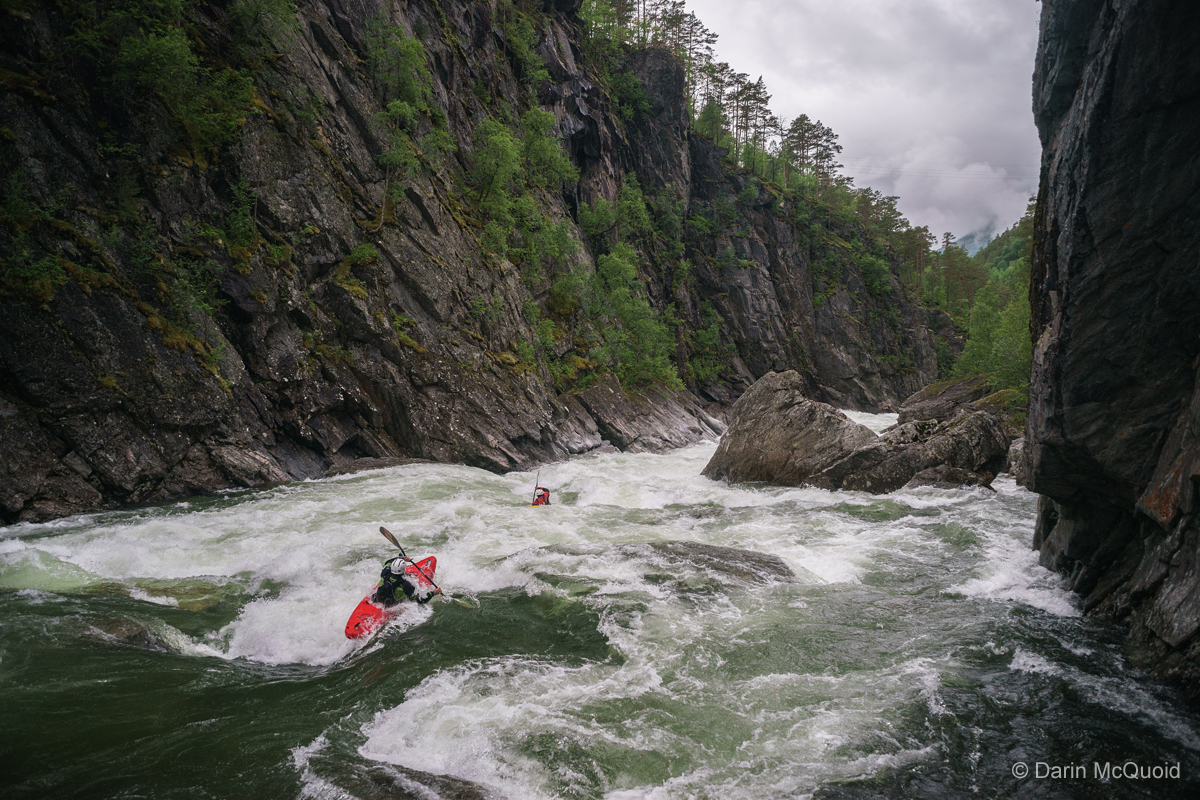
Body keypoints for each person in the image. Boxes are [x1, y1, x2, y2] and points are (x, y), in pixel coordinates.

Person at [372, 555, 442, 607]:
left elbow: (388, 562)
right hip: (392, 605)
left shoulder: (385, 572)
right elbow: (420, 600)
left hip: (377, 598)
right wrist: (433, 593)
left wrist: (401, 558)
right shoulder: (406, 585)